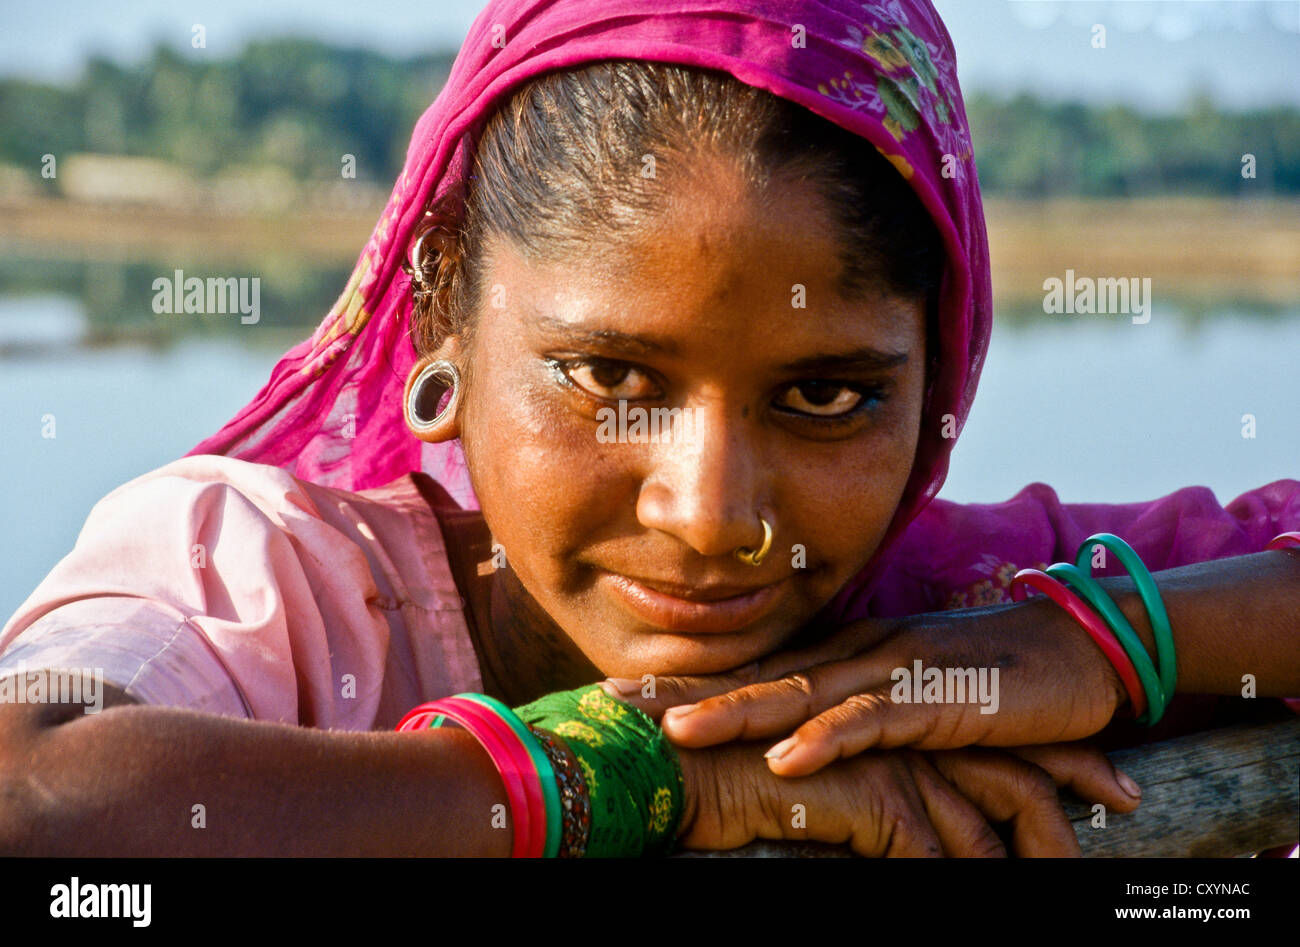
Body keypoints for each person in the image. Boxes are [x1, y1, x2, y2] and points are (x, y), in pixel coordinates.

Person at [0, 0, 1295, 858]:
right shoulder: (280, 591)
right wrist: (628, 777)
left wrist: (1114, 643)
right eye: (609, 376)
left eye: (831, 396)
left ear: (938, 378)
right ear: (444, 313)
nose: (714, 515)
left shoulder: (954, 616)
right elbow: (27, 783)